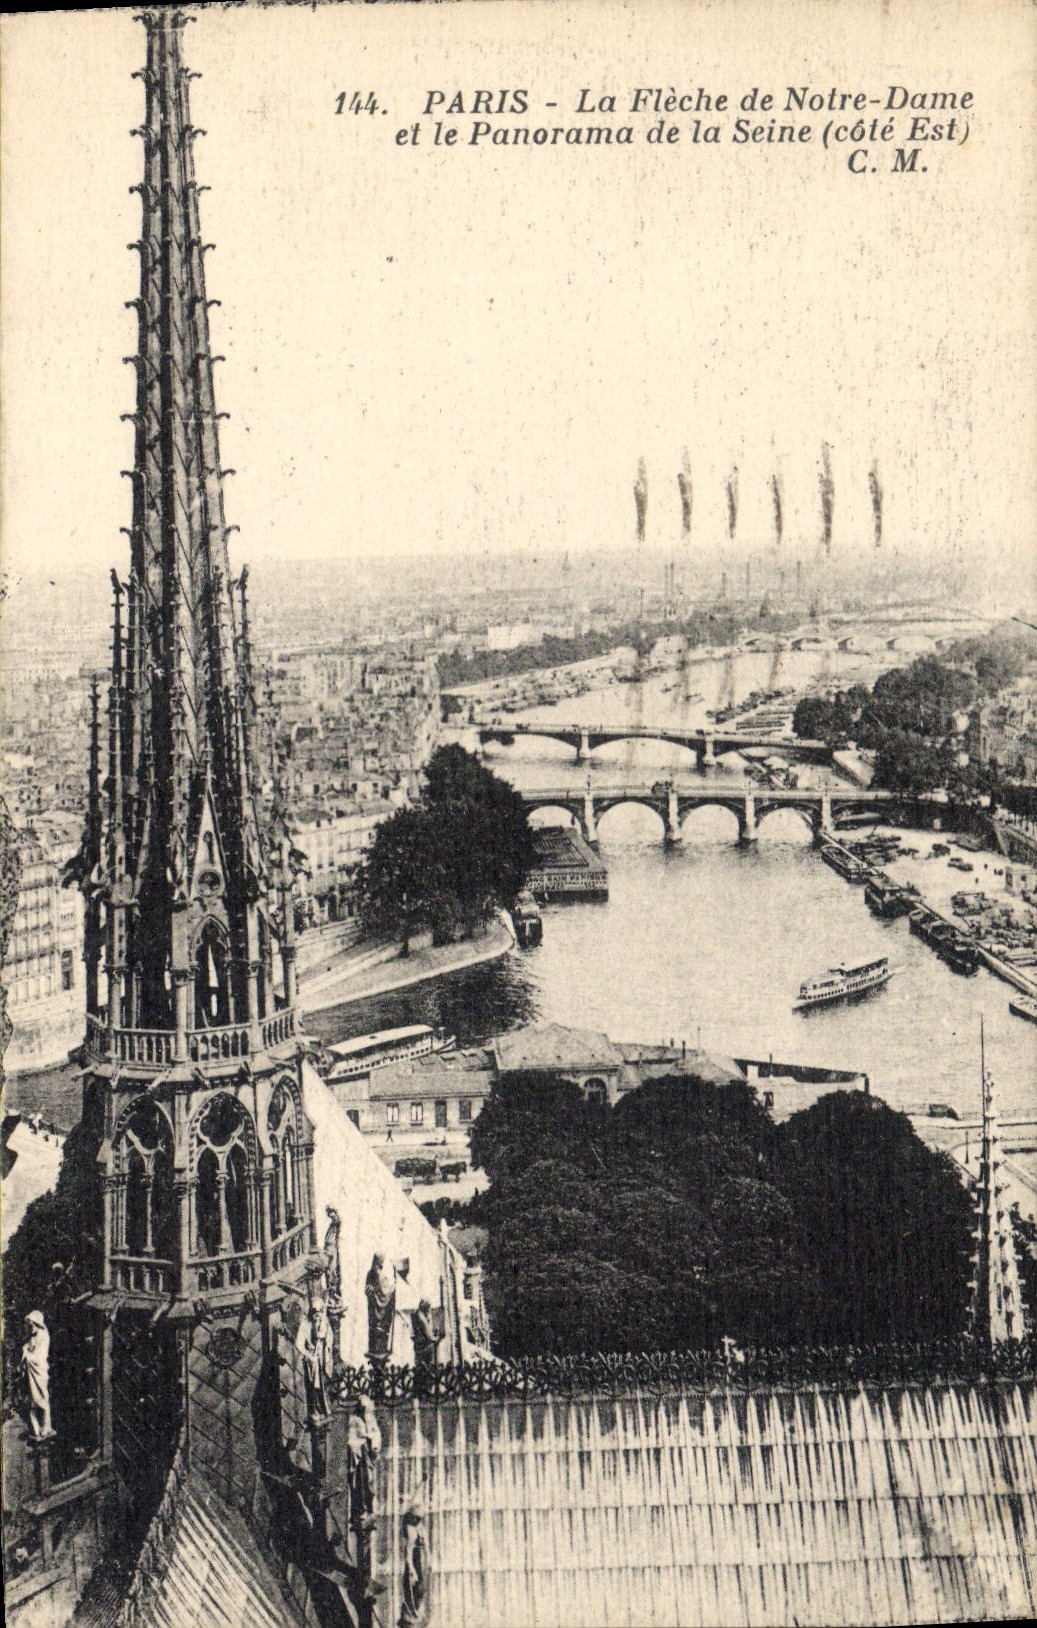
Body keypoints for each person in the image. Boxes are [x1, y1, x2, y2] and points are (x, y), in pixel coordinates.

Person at [296, 1297, 333, 1422]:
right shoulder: (305, 1324)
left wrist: (326, 1344)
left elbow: (328, 1336)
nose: (317, 1314)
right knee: (314, 1387)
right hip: (313, 1362)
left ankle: (325, 1409)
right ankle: (316, 1411)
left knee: (324, 1383)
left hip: (323, 1358)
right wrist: (309, 1355)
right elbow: (299, 1343)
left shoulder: (323, 1320)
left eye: (320, 1310)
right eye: (315, 1311)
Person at [21, 1311, 54, 1440]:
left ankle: (46, 1428)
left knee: (41, 1398)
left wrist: (27, 1354)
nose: (31, 1327)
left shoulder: (44, 1336)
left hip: (39, 1371)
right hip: (30, 1372)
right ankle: (35, 1430)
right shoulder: (32, 1336)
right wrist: (26, 1349)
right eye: (29, 1324)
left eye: (32, 1324)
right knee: (32, 1401)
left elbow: (39, 1356)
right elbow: (27, 1347)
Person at [398, 1499, 430, 1628]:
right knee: (416, 1590)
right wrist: (411, 1569)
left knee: (421, 1589)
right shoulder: (411, 1529)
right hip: (415, 1562)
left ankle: (417, 1615)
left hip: (421, 1561)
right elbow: (408, 1551)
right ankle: (411, 1617)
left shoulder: (419, 1526)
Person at [365, 1253, 396, 1359]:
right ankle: (378, 1348)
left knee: (376, 1329)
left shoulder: (371, 1273)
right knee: (379, 1329)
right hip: (377, 1309)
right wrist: (393, 1289)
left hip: (374, 1308)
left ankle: (377, 1348)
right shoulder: (379, 1276)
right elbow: (385, 1293)